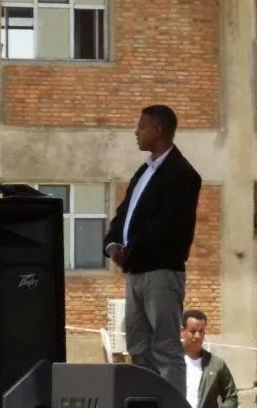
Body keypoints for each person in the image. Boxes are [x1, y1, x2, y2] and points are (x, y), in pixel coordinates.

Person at [105, 104, 202, 396]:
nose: (136, 132)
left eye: (141, 127)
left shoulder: (182, 174)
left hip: (161, 272)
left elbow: (167, 226)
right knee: (138, 347)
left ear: (158, 130)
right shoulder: (144, 171)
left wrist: (130, 250)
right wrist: (112, 245)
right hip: (135, 271)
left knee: (165, 348)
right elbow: (124, 214)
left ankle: (171, 403)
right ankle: (146, 401)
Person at [181, 309, 239, 408]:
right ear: (182, 331)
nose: (198, 336)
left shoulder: (216, 364)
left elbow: (231, 397)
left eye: (201, 331)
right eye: (193, 331)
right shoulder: (170, 362)